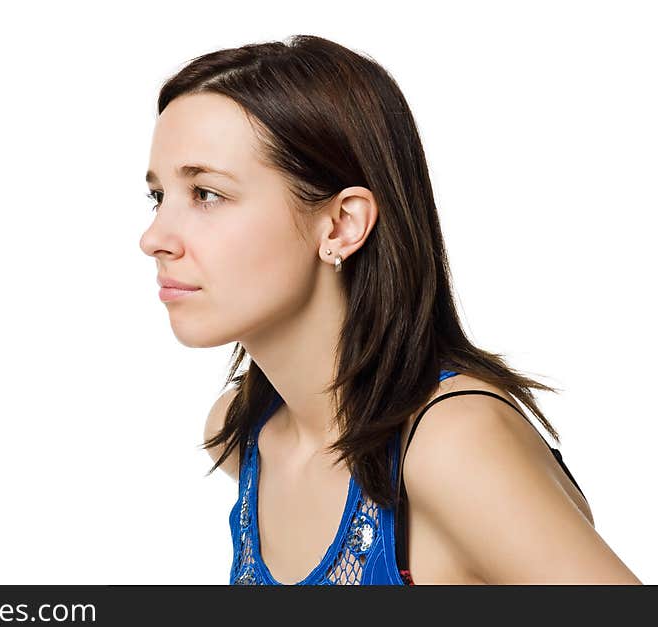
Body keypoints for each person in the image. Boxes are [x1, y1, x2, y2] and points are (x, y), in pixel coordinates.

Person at [139, 35, 642, 585]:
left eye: (207, 194)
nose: (155, 237)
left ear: (341, 225)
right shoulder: (241, 432)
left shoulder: (452, 443)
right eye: (159, 196)